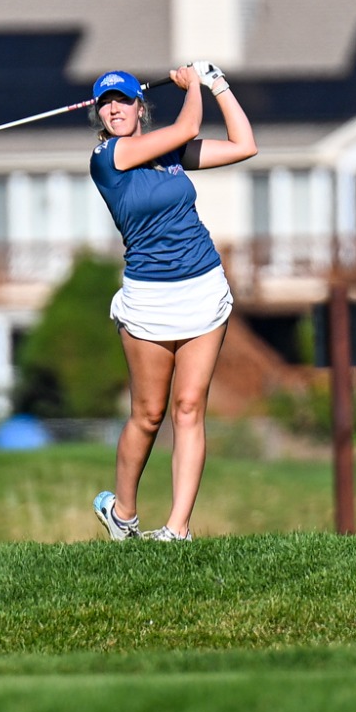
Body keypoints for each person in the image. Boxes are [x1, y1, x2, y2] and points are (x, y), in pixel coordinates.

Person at [89, 60, 258, 542]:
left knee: (189, 408)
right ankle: (123, 515)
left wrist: (218, 83)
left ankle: (178, 529)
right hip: (149, 298)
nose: (115, 109)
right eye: (106, 104)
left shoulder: (170, 154)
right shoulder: (109, 158)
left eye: (123, 100)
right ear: (100, 116)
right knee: (148, 413)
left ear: (140, 107)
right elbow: (188, 122)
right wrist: (191, 85)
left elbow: (245, 145)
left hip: (203, 285)